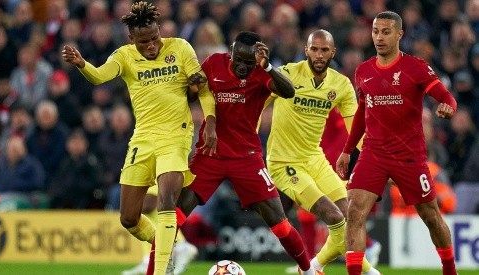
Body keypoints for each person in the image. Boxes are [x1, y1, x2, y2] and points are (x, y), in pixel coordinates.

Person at [61, 2, 216, 275]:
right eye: (145, 42)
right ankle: (169, 246)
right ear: (132, 39)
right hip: (142, 139)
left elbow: (201, 88)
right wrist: (82, 64)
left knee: (166, 201)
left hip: (175, 135)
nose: (153, 46)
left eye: (155, 38)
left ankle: (161, 269)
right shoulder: (124, 56)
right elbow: (98, 77)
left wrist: (210, 123)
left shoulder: (180, 48)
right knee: (129, 217)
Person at [147, 31, 316, 275]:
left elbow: (289, 92)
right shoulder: (214, 63)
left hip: (246, 158)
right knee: (172, 217)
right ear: (231, 52)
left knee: (279, 223)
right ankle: (156, 271)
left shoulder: (260, 72)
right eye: (239, 60)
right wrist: (193, 89)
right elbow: (192, 96)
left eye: (249, 62)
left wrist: (267, 67)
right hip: (210, 155)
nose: (243, 67)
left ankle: (308, 271)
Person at [335, 11, 458, 275]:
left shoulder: (415, 67)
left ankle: (450, 270)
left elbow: (445, 95)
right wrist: (347, 151)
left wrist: (448, 105)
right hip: (373, 154)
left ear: (399, 34)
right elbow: (361, 113)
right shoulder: (363, 70)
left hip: (409, 156)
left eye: (386, 32)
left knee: (431, 218)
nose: (379, 37)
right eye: (376, 31)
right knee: (354, 212)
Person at [265, 29, 380, 275]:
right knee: (334, 216)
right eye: (314, 49)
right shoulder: (287, 74)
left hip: (314, 159)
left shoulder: (340, 84)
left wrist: (375, 160)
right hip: (283, 162)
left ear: (333, 52)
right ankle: (361, 271)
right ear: (306, 50)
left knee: (350, 215)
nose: (319, 55)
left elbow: (355, 129)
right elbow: (255, 104)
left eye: (324, 50)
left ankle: (313, 267)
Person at [122, 186, 198, 275]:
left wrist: (132, 206)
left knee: (150, 206)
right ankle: (178, 247)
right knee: (149, 213)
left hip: (153, 176)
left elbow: (148, 205)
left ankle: (176, 248)